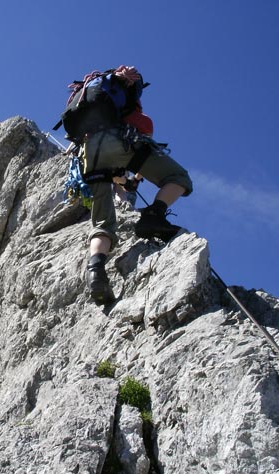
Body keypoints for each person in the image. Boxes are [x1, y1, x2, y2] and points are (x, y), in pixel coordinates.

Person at [81, 65, 193, 303]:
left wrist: (124, 182)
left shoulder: (93, 102)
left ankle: (96, 272)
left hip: (90, 154)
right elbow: (141, 151)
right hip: (121, 143)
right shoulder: (133, 111)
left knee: (102, 222)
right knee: (178, 177)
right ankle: (154, 216)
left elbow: (113, 171)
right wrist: (134, 181)